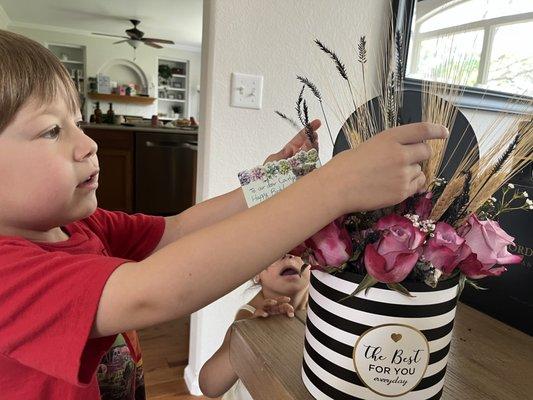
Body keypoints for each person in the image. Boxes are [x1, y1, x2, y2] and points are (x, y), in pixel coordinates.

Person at [0, 29, 447, 400]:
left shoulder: (79, 226)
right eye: (52, 130)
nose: (88, 143)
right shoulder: (7, 274)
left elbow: (178, 229)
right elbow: (155, 291)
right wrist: (333, 189)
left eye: (78, 122)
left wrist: (279, 178)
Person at [199, 254, 310, 399]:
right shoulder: (248, 316)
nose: (288, 256)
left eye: (299, 249)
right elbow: (210, 385)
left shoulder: (327, 313)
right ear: (257, 273)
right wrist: (252, 332)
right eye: (276, 252)